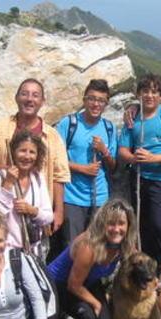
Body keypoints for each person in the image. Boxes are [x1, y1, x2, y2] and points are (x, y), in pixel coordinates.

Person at [46, 198, 138, 319]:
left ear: (129, 225)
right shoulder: (89, 245)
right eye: (111, 223)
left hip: (87, 281)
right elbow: (73, 284)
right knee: (88, 317)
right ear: (102, 223)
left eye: (121, 223)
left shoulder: (124, 244)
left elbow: (136, 259)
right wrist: (95, 302)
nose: (116, 228)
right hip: (59, 284)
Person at [0, 78, 70, 250]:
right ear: (16, 97)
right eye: (24, 94)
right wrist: (10, 173)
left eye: (35, 95)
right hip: (7, 214)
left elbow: (59, 175)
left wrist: (58, 212)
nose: (29, 99)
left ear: (42, 101)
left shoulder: (52, 136)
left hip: (38, 209)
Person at [118, 73, 161, 268]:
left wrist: (154, 158)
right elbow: (123, 150)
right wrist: (133, 159)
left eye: (154, 92)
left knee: (159, 225)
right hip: (140, 179)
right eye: (145, 91)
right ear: (138, 94)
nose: (149, 96)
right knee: (141, 225)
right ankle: (144, 266)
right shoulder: (133, 118)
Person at [56, 79, 118, 244]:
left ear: (106, 104)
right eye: (92, 99)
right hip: (72, 197)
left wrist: (104, 151)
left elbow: (113, 167)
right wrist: (82, 169)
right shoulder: (68, 124)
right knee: (72, 247)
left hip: (99, 197)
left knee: (97, 246)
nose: (96, 104)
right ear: (84, 100)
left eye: (101, 101)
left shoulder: (109, 128)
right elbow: (55, 159)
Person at [0, 131, 53, 259]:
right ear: (13, 152)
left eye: (32, 152)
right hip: (6, 253)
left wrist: (32, 211)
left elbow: (48, 216)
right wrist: (7, 185)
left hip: (34, 252)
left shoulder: (38, 178)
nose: (27, 156)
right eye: (22, 150)